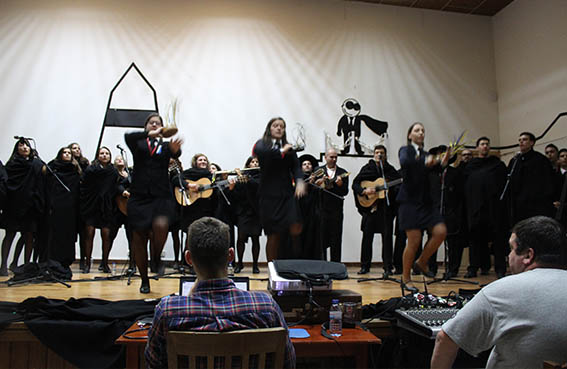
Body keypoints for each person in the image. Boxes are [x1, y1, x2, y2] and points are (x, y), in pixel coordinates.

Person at [145, 217, 296, 369]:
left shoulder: (167, 311)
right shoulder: (267, 307)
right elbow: (288, 363)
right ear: (230, 255)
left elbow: (153, 365)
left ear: (189, 258)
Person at [431, 216, 567, 369]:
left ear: (528, 255)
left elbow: (445, 339)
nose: (508, 256)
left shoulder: (501, 290)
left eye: (511, 249)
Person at [125, 113, 182, 293]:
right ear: (147, 126)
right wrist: (151, 133)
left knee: (161, 224)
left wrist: (174, 149)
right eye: (152, 123)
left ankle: (156, 257)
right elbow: (128, 136)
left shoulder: (165, 146)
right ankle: (144, 280)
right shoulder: (139, 143)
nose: (155, 125)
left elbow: (177, 152)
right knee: (139, 238)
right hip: (139, 195)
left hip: (160, 195)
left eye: (158, 123)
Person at [396, 122, 449, 292]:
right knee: (414, 240)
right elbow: (406, 163)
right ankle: (406, 278)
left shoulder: (427, 155)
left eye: (423, 131)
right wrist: (425, 162)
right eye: (417, 130)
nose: (421, 133)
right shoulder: (406, 150)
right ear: (410, 135)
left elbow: (434, 171)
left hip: (426, 202)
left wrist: (442, 163)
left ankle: (422, 261)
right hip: (409, 201)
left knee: (440, 231)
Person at [252, 117, 306, 261]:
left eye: (282, 126)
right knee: (273, 235)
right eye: (275, 125)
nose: (279, 128)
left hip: (286, 194)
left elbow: (296, 166)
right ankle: (272, 269)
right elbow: (263, 155)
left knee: (296, 226)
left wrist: (299, 181)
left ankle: (294, 261)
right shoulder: (262, 144)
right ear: (269, 128)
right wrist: (282, 150)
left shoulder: (288, 147)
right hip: (269, 196)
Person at [462, 137, 508, 279]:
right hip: (475, 208)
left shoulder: (497, 164)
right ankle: (473, 268)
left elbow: (503, 185)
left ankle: (500, 269)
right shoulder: (470, 166)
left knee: (497, 239)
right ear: (477, 148)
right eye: (482, 144)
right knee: (475, 240)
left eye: (487, 144)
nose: (485, 146)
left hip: (494, 208)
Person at [352, 145, 401, 276]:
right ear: (373, 154)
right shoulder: (367, 168)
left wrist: (390, 190)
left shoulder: (390, 170)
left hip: (385, 210)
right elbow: (355, 184)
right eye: (377, 152)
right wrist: (364, 191)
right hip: (371, 209)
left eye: (382, 153)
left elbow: (398, 186)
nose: (379, 155)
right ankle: (365, 266)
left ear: (385, 155)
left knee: (387, 238)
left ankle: (387, 267)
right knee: (367, 237)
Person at [0, 138, 45, 275]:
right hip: (14, 204)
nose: (25, 147)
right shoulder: (12, 164)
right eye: (21, 145)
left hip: (30, 205)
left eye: (27, 145)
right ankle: (3, 265)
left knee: (28, 235)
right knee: (10, 234)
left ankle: (24, 266)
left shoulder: (36, 163)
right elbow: (6, 184)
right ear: (16, 149)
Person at [80, 146, 119, 274]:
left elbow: (114, 188)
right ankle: (87, 263)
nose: (104, 155)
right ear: (98, 155)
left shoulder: (113, 171)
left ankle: (105, 263)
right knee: (89, 233)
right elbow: (84, 185)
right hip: (92, 205)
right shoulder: (91, 169)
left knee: (106, 235)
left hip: (107, 207)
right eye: (101, 153)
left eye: (107, 153)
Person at [507, 132, 555, 226]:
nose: (521, 142)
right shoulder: (515, 161)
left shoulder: (541, 160)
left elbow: (548, 183)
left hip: (536, 205)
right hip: (518, 205)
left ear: (532, 143)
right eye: (519, 140)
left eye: (524, 140)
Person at [45, 147, 81, 269]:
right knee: (55, 234)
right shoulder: (53, 169)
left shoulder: (75, 171)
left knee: (68, 235)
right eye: (64, 152)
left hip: (70, 209)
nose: (67, 154)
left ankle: (66, 261)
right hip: (56, 208)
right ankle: (54, 261)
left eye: (69, 153)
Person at [315, 148, 349, 262]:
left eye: (335, 157)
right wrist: (318, 184)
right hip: (321, 209)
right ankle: (322, 265)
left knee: (336, 239)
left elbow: (345, 192)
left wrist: (340, 185)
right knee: (321, 239)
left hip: (336, 211)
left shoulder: (343, 172)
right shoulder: (318, 171)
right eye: (331, 157)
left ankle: (335, 265)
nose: (334, 159)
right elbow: (312, 190)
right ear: (325, 157)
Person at [233, 156, 262, 274]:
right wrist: (237, 182)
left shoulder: (261, 176)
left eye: (257, 162)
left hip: (256, 212)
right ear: (248, 164)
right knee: (240, 238)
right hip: (244, 212)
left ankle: (255, 265)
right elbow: (237, 194)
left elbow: (258, 186)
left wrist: (246, 178)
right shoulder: (242, 177)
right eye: (252, 162)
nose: (254, 163)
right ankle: (239, 263)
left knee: (256, 239)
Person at [109, 155, 135, 273]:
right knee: (111, 235)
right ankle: (104, 263)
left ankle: (132, 264)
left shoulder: (131, 173)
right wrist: (122, 191)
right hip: (116, 208)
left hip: (129, 209)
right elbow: (115, 186)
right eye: (117, 158)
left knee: (132, 238)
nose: (119, 160)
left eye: (121, 158)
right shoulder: (112, 172)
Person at [68, 142, 90, 271]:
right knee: (70, 234)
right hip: (71, 202)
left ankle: (83, 260)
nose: (76, 150)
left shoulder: (85, 163)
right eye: (73, 148)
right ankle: (70, 258)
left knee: (84, 234)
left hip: (83, 202)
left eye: (78, 148)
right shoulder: (67, 164)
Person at [297, 153, 322, 260]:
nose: (307, 165)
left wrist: (315, 184)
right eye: (304, 164)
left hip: (313, 213)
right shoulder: (297, 179)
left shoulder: (317, 179)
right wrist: (308, 184)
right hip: (300, 212)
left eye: (309, 164)